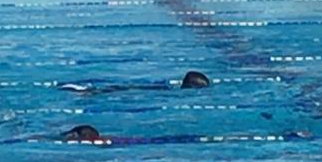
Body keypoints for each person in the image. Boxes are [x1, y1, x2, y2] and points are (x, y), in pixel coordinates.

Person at [59, 70, 211, 94]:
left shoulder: (168, 87)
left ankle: (85, 91)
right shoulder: (171, 92)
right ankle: (85, 92)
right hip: (136, 91)